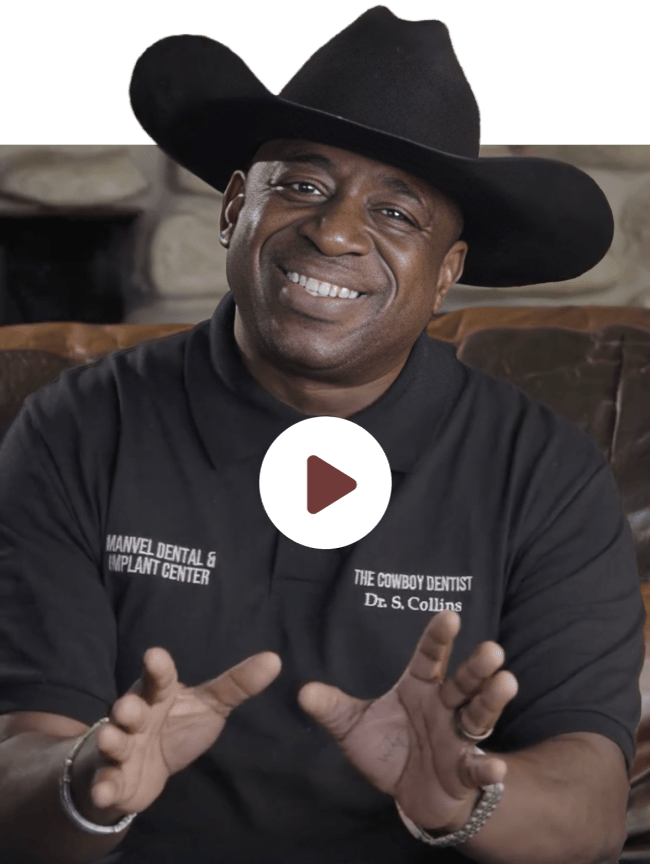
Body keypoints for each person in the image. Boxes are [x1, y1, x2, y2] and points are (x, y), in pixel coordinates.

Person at [0, 7, 644, 864]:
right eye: (302, 186)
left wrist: (462, 802)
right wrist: (86, 784)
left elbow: (593, 807)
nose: (336, 231)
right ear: (235, 208)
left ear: (447, 272)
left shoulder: (542, 472)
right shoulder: (78, 427)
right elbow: (23, 761)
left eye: (398, 214)